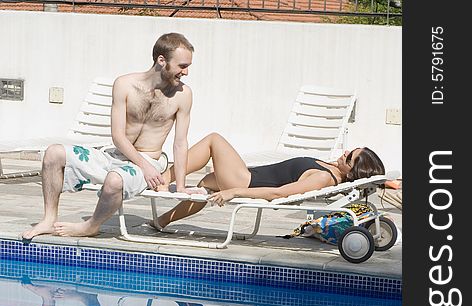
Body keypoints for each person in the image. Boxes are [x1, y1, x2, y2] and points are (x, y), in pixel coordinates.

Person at [23, 32, 194, 240]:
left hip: (149, 161)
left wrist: (182, 186)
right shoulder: (124, 84)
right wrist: (141, 164)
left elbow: (180, 142)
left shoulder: (183, 95)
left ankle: (91, 226)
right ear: (161, 61)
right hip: (115, 155)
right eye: (182, 66)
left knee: (114, 180)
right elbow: (117, 136)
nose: (185, 72)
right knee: (53, 153)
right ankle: (49, 219)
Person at [153, 133, 385, 230]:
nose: (345, 153)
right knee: (203, 187)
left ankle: (161, 180)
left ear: (354, 171)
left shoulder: (324, 178)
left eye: (350, 157)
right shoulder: (331, 168)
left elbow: (280, 193)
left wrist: (234, 192)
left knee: (214, 140)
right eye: (349, 151)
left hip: (245, 182)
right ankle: (161, 221)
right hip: (246, 176)